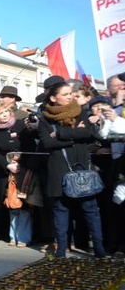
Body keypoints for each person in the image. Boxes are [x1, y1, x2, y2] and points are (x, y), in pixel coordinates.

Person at [37, 82, 106, 258]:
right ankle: (61, 249)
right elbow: (46, 143)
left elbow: (89, 134)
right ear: (53, 98)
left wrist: (60, 134)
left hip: (82, 167)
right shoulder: (45, 118)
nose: (70, 96)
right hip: (59, 169)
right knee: (61, 211)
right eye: (66, 94)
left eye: (71, 93)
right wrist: (74, 136)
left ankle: (99, 249)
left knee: (90, 209)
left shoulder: (80, 111)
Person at [0, 103, 42, 248]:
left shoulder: (20, 125)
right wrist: (7, 165)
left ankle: (24, 236)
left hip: (25, 169)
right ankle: (12, 235)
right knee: (11, 204)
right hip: (6, 171)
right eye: (0, 113)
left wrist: (21, 163)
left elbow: (31, 144)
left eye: (6, 111)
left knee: (24, 205)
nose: (4, 114)